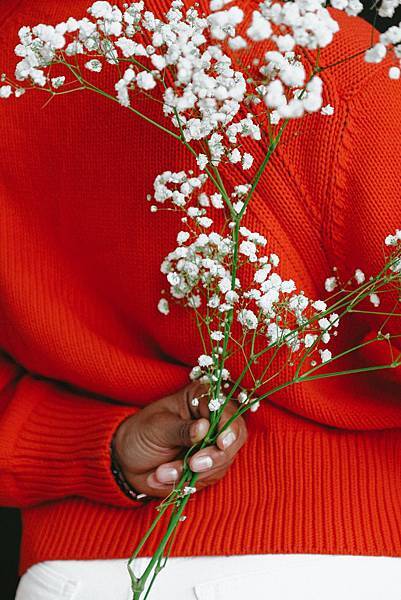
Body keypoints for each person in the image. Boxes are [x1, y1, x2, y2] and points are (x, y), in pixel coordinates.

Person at [1, 1, 401, 599]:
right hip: (334, 556)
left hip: (71, 573)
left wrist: (99, 441)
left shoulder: (19, 53)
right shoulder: (332, 60)